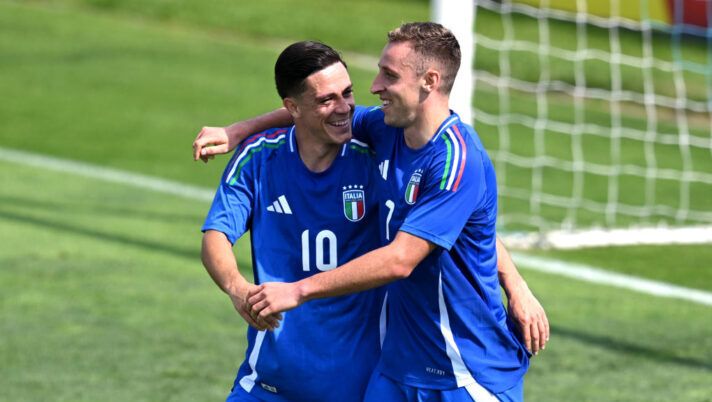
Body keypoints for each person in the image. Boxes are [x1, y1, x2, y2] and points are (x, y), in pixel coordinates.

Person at [196, 23, 550, 401]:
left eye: (388, 75)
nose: (372, 88)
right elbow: (313, 113)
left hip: (465, 373)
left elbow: (405, 257)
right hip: (395, 372)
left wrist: (297, 291)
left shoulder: (454, 160)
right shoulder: (380, 130)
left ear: (429, 80)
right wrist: (238, 131)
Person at [200, 41, 386, 402]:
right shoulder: (258, 156)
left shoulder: (375, 157)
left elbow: (449, 211)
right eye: (326, 99)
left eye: (348, 93)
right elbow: (216, 235)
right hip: (269, 384)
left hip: (359, 387)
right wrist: (238, 290)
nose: (344, 107)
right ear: (292, 108)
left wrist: (514, 285)